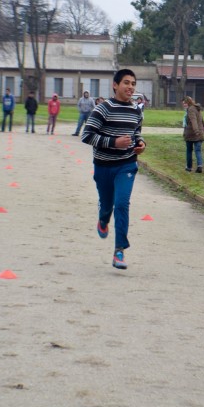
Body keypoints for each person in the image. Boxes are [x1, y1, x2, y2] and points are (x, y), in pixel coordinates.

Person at [82, 69, 146, 270]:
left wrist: (141, 143)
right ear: (115, 85)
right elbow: (87, 135)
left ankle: (119, 250)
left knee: (122, 204)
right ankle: (103, 219)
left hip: (126, 164)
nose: (130, 87)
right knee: (107, 206)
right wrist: (113, 142)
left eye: (133, 83)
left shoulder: (137, 110)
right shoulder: (103, 109)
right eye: (126, 83)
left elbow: (136, 132)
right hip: (103, 166)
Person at [182, 96, 204, 173]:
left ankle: (189, 167)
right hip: (199, 133)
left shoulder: (191, 109)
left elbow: (193, 121)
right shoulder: (197, 109)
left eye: (185, 103)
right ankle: (199, 165)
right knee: (198, 150)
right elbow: (202, 121)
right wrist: (202, 130)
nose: (184, 105)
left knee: (189, 150)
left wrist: (196, 131)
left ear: (188, 102)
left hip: (192, 133)